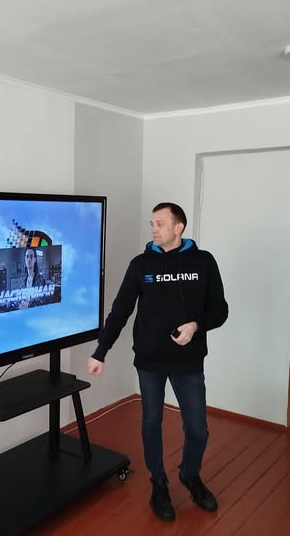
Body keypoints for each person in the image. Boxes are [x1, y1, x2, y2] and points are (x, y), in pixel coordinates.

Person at [87, 202, 228, 522]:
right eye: (152, 223)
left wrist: (196, 326)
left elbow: (220, 310)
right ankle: (159, 483)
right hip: (149, 361)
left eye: (160, 224)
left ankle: (189, 475)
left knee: (198, 429)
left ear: (179, 227)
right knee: (151, 423)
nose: (153, 229)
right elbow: (120, 311)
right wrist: (100, 352)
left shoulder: (203, 262)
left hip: (188, 361)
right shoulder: (141, 265)